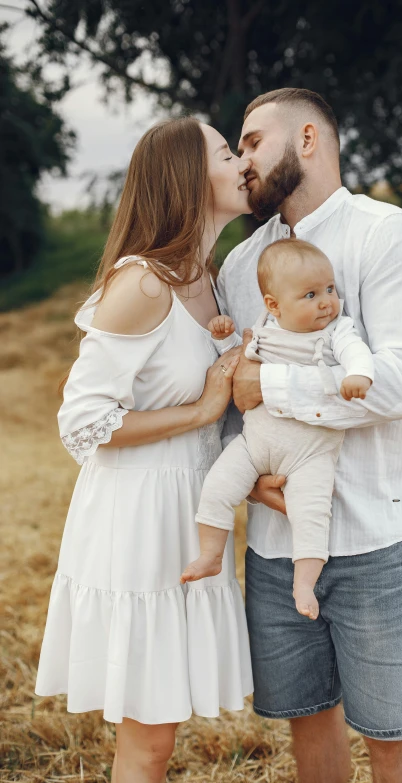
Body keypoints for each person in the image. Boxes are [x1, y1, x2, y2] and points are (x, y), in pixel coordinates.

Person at [218, 88, 402, 783]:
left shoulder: (388, 234)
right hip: (275, 545)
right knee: (309, 730)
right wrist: (250, 475)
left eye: (254, 141)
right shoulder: (238, 267)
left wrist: (276, 388)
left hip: (374, 533)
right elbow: (234, 395)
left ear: (308, 139)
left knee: (394, 738)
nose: (243, 160)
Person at [35, 117, 254, 783]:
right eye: (227, 151)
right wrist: (202, 408)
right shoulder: (144, 284)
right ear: (191, 178)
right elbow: (82, 422)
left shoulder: (211, 280)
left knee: (163, 732)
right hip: (138, 520)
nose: (243, 162)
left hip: (191, 511)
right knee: (150, 740)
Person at [181, 238, 374, 621]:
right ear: (273, 305)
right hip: (256, 444)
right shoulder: (264, 328)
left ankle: (304, 584)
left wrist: (358, 374)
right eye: (310, 294)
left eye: (330, 289)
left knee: (311, 514)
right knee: (217, 487)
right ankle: (210, 555)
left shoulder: (335, 330)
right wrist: (226, 340)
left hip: (310, 454)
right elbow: (241, 364)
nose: (326, 302)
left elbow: (356, 350)